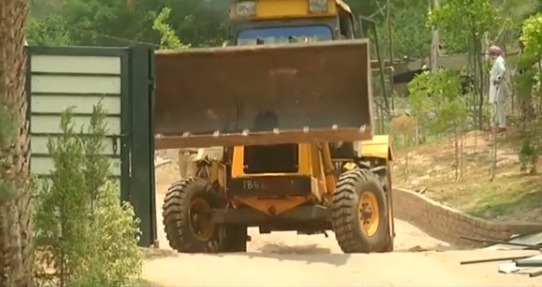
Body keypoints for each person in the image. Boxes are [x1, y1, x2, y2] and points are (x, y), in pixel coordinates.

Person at [488, 45, 508, 132]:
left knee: (499, 105)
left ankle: (502, 125)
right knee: (496, 105)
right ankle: (497, 124)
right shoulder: (498, 61)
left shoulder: (499, 61)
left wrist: (497, 79)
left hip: (498, 87)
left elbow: (503, 70)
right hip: (496, 87)